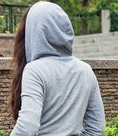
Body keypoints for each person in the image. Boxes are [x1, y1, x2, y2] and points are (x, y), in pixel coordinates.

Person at [9, 2, 105, 136]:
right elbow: (96, 128)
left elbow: (27, 128)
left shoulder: (34, 70)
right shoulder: (86, 70)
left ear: (33, 33)